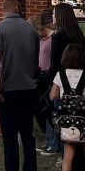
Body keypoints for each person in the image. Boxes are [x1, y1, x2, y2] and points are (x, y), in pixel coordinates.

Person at [0, 0, 40, 171]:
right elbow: (35, 58)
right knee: (28, 136)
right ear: (18, 9)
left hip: (8, 90)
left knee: (9, 138)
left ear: (3, 10)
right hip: (29, 88)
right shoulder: (31, 30)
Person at [45, 3, 85, 171]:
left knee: (65, 129)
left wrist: (47, 84)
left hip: (63, 85)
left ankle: (67, 170)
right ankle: (81, 166)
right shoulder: (78, 35)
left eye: (54, 14)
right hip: (80, 85)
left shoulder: (59, 37)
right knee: (81, 126)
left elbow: (55, 64)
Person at [34, 9, 57, 155]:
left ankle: (53, 143)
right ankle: (49, 140)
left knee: (50, 111)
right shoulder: (41, 40)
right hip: (40, 75)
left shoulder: (53, 39)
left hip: (50, 76)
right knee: (42, 111)